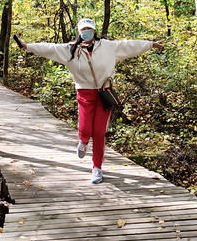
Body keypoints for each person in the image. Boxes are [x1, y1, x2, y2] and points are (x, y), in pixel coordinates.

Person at [17, 18, 164, 185]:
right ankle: (83, 140)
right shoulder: (70, 50)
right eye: (84, 29)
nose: (87, 32)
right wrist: (28, 46)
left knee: (99, 132)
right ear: (79, 32)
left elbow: (128, 46)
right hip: (85, 94)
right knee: (86, 129)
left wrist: (150, 44)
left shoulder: (108, 47)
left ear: (94, 31)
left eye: (90, 29)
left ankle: (97, 168)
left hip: (104, 94)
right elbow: (50, 48)